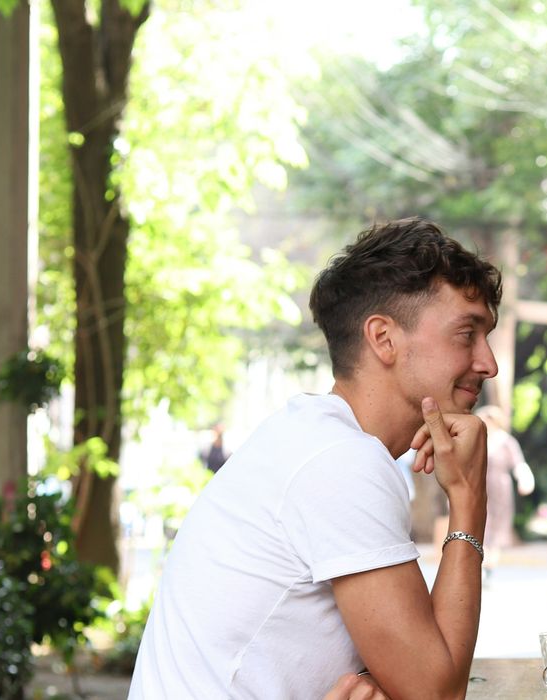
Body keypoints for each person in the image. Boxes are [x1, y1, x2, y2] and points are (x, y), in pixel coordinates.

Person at [129, 218, 501, 699]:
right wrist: (469, 500)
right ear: (384, 339)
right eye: (467, 334)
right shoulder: (341, 461)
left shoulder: (315, 438)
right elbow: (436, 693)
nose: (488, 363)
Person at [474, 404, 535, 574]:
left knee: (498, 525)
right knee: (480, 523)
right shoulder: (477, 439)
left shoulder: (506, 441)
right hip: (478, 486)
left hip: (500, 488)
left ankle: (490, 564)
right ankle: (482, 561)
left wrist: (525, 480)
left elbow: (519, 463)